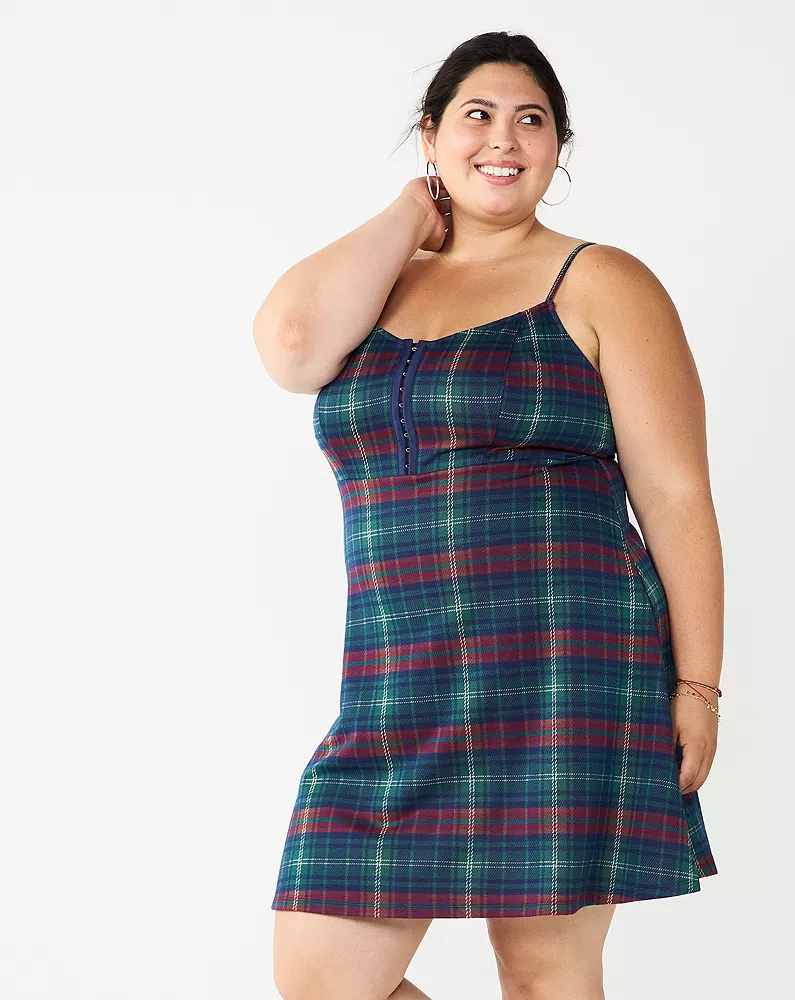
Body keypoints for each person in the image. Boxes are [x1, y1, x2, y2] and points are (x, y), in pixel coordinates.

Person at [253, 30, 724, 1000]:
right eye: (478, 115)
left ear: (558, 147)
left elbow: (676, 492)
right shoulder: (378, 285)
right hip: (398, 678)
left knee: (544, 971)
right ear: (430, 134)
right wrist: (407, 214)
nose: (504, 139)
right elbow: (292, 344)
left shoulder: (602, 281)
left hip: (563, 664)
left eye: (531, 120)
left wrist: (698, 686)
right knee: (321, 980)